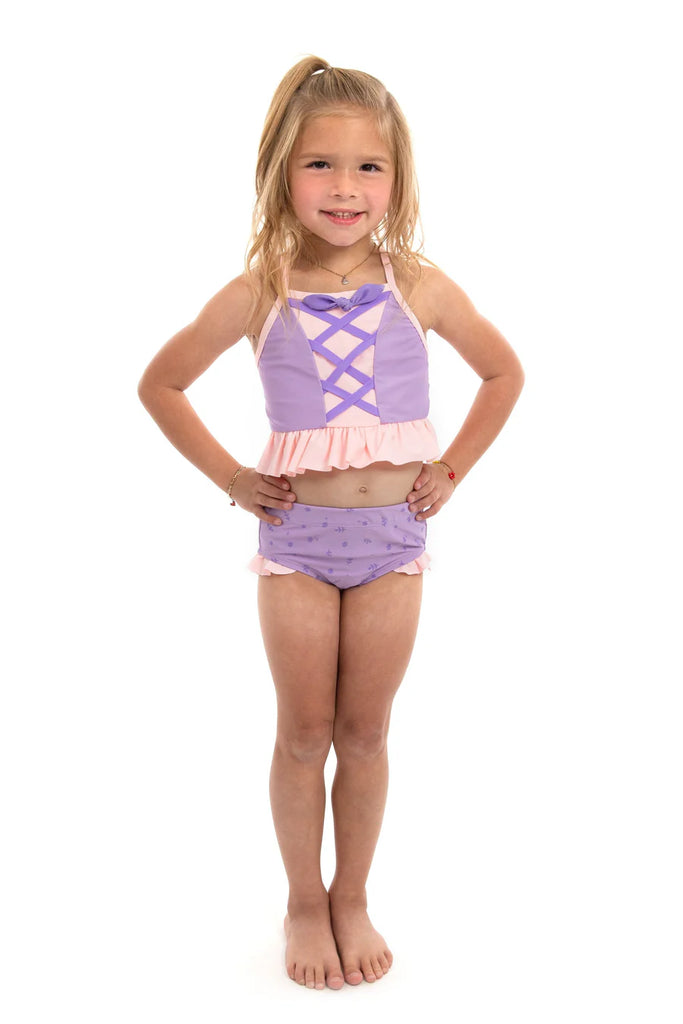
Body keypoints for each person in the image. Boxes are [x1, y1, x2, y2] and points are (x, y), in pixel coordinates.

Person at [138, 56, 524, 991]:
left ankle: (351, 895)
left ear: (396, 178)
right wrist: (234, 477)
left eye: (367, 167)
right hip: (298, 547)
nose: (345, 187)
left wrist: (451, 470)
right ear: (282, 170)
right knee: (303, 733)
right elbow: (161, 383)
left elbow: (503, 372)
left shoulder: (417, 284)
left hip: (393, 544)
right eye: (320, 164)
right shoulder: (259, 289)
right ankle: (302, 902)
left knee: (366, 732)